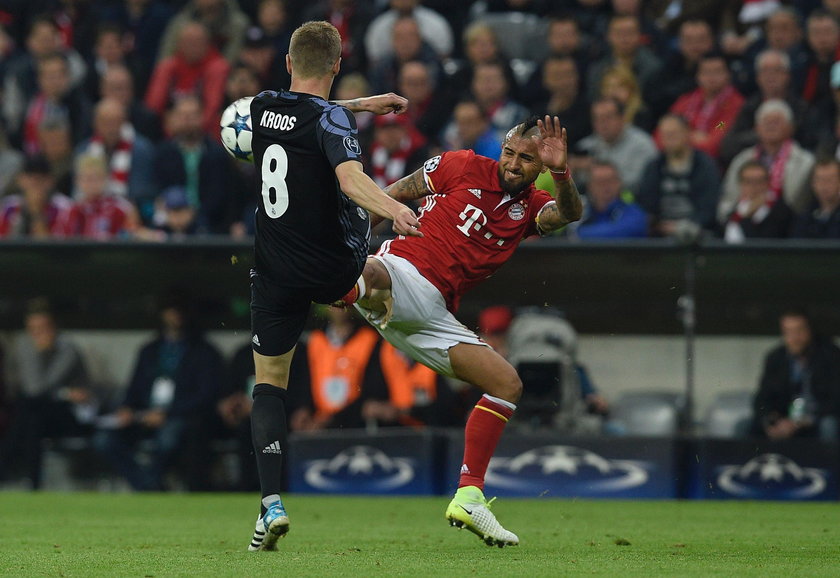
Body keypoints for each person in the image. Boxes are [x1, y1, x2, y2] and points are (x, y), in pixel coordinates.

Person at [339, 114, 583, 547]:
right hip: (405, 269)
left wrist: (563, 173)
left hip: (430, 315)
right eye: (509, 153)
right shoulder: (460, 165)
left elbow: (567, 213)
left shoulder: (529, 208)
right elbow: (394, 194)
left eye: (527, 160)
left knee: (506, 384)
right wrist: (357, 238)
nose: (513, 164)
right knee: (377, 271)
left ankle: (468, 495)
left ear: (540, 167)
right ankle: (336, 278)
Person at [243, 21, 421, 552]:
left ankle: (270, 504)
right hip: (331, 268)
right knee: (379, 275)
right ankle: (398, 310)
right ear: (338, 66)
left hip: (274, 271)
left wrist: (363, 106)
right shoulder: (333, 119)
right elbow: (348, 176)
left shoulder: (259, 106)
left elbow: (308, 110)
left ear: (288, 63)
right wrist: (395, 209)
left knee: (270, 385)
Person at [93, 295, 223, 491]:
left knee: (169, 438)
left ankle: (148, 485)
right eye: (170, 310)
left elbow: (205, 396)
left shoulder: (204, 351)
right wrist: (126, 408)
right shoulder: (150, 350)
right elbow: (134, 387)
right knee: (103, 440)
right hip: (144, 413)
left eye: (179, 311)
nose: (175, 316)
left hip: (180, 416)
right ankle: (150, 485)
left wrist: (168, 413)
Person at [0, 300, 93, 489]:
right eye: (32, 329)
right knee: (33, 417)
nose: (37, 334)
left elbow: (39, 387)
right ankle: (33, 484)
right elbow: (33, 389)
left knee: (31, 410)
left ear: (54, 327)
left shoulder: (67, 350)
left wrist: (43, 353)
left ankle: (8, 470)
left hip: (66, 416)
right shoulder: (24, 346)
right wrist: (64, 392)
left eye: (42, 328)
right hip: (34, 416)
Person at [750, 309, 840, 441]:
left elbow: (835, 400)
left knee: (829, 425)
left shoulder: (830, 355)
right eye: (788, 332)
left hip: (816, 419)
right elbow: (762, 397)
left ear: (809, 330)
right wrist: (771, 418)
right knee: (749, 426)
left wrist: (803, 421)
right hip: (784, 419)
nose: (794, 337)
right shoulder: (776, 357)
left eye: (799, 330)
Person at [636, 113, 721, 237]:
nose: (669, 138)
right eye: (665, 134)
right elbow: (646, 203)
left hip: (697, 233)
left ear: (687, 133)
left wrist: (685, 226)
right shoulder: (654, 166)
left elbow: (708, 208)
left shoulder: (705, 166)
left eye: (673, 133)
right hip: (660, 233)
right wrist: (657, 224)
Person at [568, 159, 647, 239]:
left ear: (619, 183)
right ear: (589, 186)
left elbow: (628, 230)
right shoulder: (581, 211)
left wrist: (580, 234)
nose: (606, 187)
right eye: (600, 182)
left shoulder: (632, 211)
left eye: (610, 181)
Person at [721, 160, 794, 242]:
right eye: (748, 182)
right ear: (741, 185)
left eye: (759, 182)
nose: (754, 187)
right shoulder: (733, 213)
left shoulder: (781, 212)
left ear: (768, 184)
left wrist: (747, 217)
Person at [790, 158, 840, 239]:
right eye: (819, 179)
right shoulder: (804, 216)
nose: (824, 185)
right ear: (813, 183)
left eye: (829, 180)